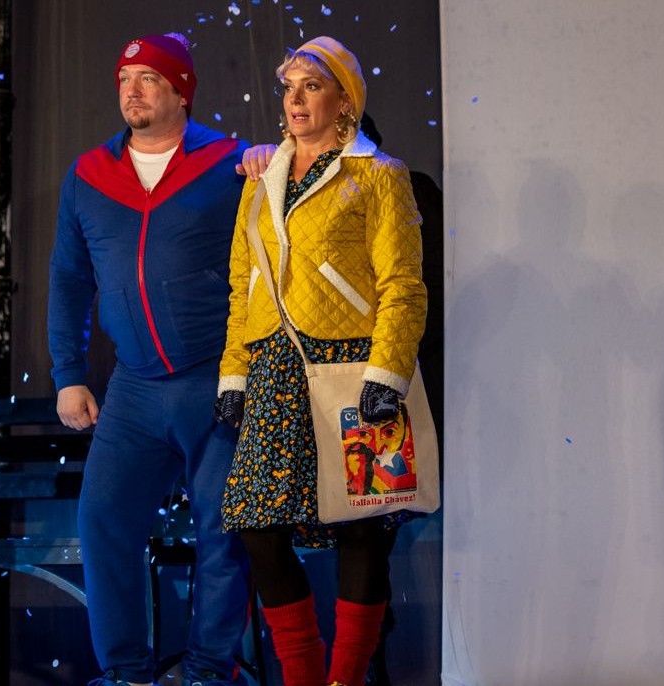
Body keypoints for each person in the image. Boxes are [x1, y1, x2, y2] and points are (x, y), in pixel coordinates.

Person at [212, 37, 426, 686]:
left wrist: (387, 374)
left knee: (363, 529)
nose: (296, 99)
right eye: (290, 87)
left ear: (344, 100)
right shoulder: (262, 177)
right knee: (259, 525)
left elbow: (403, 285)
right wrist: (233, 373)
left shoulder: (380, 174)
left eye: (312, 85)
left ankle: (346, 679)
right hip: (276, 370)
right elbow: (244, 283)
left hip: (357, 371)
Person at [47, 32, 251, 686]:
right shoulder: (89, 174)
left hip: (213, 377)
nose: (131, 91)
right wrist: (68, 375)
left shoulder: (230, 163)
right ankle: (127, 672)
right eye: (124, 79)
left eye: (149, 79)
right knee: (103, 519)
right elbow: (68, 279)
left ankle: (207, 671)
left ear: (182, 91)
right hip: (133, 386)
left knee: (225, 530)